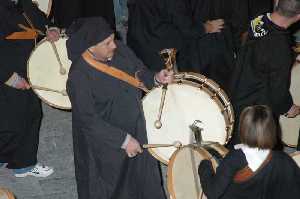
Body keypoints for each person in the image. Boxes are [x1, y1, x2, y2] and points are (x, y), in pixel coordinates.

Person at [66, 17, 172, 199]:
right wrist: (123, 140)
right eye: (107, 43)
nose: (113, 45)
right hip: (107, 147)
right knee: (114, 190)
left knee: (145, 183)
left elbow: (138, 70)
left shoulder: (119, 49)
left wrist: (156, 78)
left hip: (136, 130)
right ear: (91, 48)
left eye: (113, 39)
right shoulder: (78, 76)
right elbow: (88, 121)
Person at [228, 0, 300, 145]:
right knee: (252, 149)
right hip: (255, 109)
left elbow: (262, 52)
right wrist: (288, 108)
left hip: (237, 91)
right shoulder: (281, 49)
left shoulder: (258, 20)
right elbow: (278, 91)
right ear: (298, 16)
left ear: (277, 2)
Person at [0, 0, 59, 177]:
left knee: (22, 115)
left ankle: (5, 156)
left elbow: (40, 19)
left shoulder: (21, 2)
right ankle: (23, 164)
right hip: (8, 72)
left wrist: (51, 29)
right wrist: (9, 77)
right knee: (21, 117)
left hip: (27, 66)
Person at [198, 105, 300, 199]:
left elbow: (213, 192)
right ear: (273, 130)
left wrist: (204, 166)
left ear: (243, 129)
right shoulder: (284, 160)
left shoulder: (234, 158)